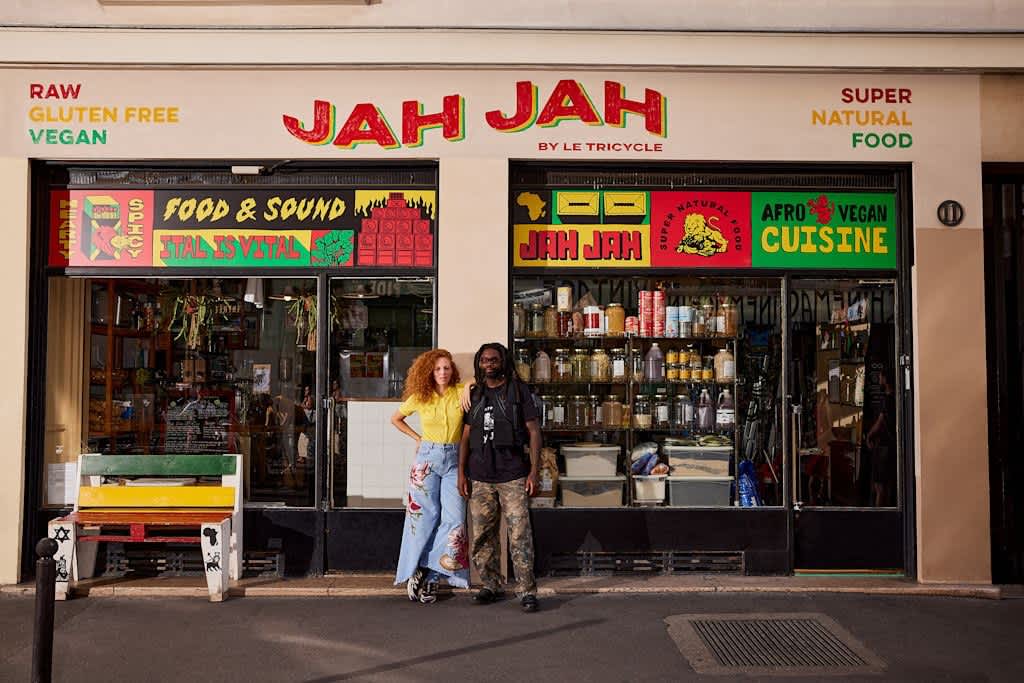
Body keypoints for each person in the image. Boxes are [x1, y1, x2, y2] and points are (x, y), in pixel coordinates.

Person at [458, 342, 542, 613]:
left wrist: (534, 471)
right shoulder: (475, 392)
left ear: (503, 362)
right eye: (484, 360)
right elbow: (466, 435)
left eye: (494, 360)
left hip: (513, 475)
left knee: (519, 534)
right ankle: (490, 585)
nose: (489, 364)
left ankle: (527, 591)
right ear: (479, 364)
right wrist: (462, 472)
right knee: (483, 534)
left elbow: (534, 432)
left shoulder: (518, 391)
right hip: (480, 476)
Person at [391, 349, 471, 604]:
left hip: (454, 460)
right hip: (427, 457)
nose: (442, 373)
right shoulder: (420, 396)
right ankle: (421, 574)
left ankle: (430, 570)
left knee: (455, 520)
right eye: (437, 369)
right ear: (429, 371)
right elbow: (396, 418)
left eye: (447, 368)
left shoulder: (459, 391)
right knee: (423, 518)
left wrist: (469, 385)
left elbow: (476, 380)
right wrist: (418, 439)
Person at [865, 371, 897, 507]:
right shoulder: (896, 398)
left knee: (879, 486)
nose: (878, 378)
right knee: (889, 484)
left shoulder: (887, 399)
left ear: (884, 378)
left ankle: (879, 516)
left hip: (883, 446)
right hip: (892, 445)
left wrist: (869, 435)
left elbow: (880, 421)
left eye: (880, 376)